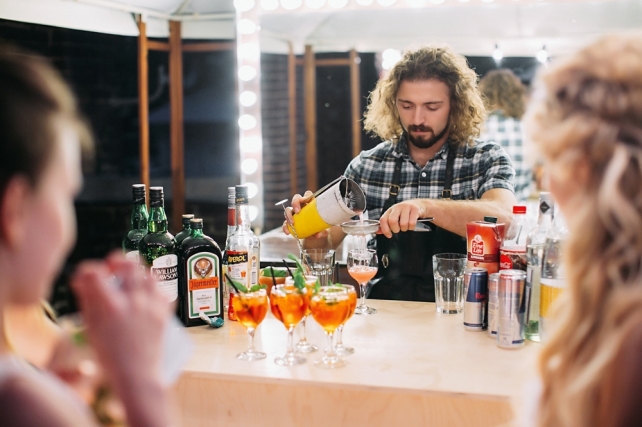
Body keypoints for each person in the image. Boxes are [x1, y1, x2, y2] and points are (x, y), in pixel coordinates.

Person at [0, 45, 176, 426]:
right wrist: (141, 378)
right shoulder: (17, 400)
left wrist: (58, 391)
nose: (69, 229)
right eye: (66, 195)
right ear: (15, 211)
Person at [285, 44, 516, 302]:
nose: (417, 119)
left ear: (456, 105)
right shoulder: (368, 166)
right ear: (393, 104)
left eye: (432, 107)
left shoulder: (485, 159)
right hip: (385, 313)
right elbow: (325, 247)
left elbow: (506, 221)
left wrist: (426, 207)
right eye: (407, 105)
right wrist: (314, 235)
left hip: (463, 312)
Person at [524, 34, 642, 427]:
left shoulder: (629, 334)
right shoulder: (610, 291)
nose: (548, 182)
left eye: (549, 162)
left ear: (578, 168)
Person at [479, 69, 533, 202]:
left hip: (486, 212)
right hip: (521, 210)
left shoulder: (476, 129)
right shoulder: (529, 130)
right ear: (517, 96)